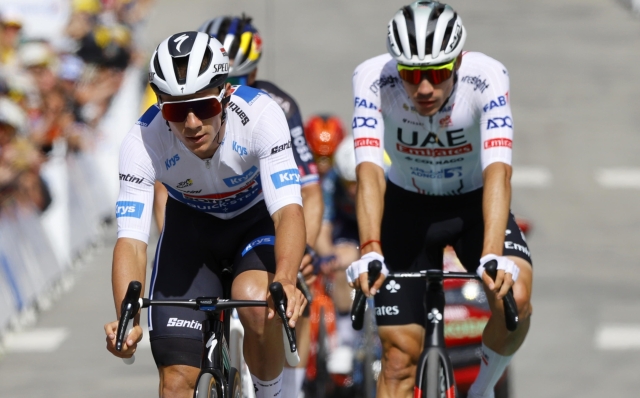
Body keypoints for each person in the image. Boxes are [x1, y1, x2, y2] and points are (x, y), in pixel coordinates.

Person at [103, 31, 307, 398]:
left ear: (226, 93)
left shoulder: (261, 114)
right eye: (177, 111)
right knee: (177, 382)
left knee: (257, 302)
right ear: (161, 105)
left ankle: (274, 393)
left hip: (255, 225)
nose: (193, 123)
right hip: (191, 233)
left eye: (205, 106)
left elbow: (288, 210)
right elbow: (131, 241)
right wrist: (126, 320)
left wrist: (288, 279)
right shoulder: (142, 140)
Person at [346, 2, 533, 398]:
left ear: (458, 61)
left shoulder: (486, 77)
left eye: (436, 73)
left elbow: (497, 170)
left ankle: (481, 390)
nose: (424, 88)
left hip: (471, 207)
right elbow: (369, 172)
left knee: (515, 300)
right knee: (397, 361)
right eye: (412, 75)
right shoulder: (372, 78)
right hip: (405, 209)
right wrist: (369, 248)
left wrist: (492, 251)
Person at [198, 15, 323, 397]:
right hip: (207, 220)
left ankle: (291, 387)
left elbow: (309, 192)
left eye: (243, 80)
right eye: (222, 84)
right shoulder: (194, 114)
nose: (233, 94)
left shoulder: (278, 106)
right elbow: (160, 194)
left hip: (265, 218)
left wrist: (306, 250)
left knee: (291, 289)